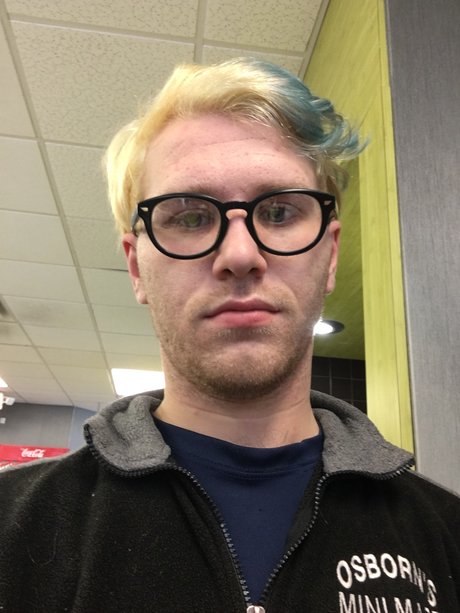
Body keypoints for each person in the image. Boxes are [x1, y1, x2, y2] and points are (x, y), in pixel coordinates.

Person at [0, 58, 459, 613]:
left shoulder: (445, 532)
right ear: (137, 267)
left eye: (280, 212)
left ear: (331, 255)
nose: (240, 255)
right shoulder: (14, 527)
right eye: (190, 217)